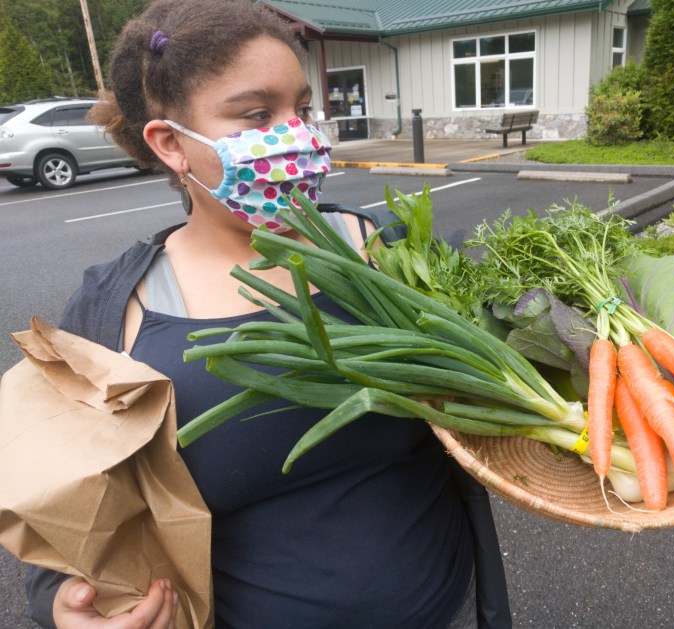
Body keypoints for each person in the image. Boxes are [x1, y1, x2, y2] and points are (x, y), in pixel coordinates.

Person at [24, 1, 511, 627]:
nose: (298, 135)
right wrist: (61, 602)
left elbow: (505, 379)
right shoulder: (114, 312)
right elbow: (60, 495)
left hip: (451, 609)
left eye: (301, 108)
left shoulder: (387, 248)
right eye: (258, 115)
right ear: (170, 143)